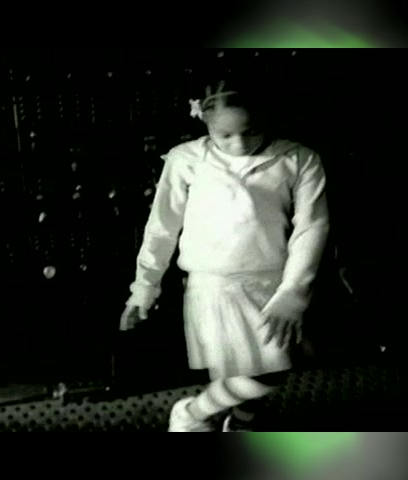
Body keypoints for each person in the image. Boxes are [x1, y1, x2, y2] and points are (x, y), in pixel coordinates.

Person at [119, 79, 330, 432]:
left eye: (251, 131)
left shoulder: (298, 159)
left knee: (270, 368)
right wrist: (144, 288)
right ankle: (191, 413)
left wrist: (293, 293)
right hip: (213, 286)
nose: (240, 144)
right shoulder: (186, 159)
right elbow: (162, 227)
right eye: (225, 136)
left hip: (273, 283)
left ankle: (239, 422)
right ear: (205, 124)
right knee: (260, 373)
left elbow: (312, 228)